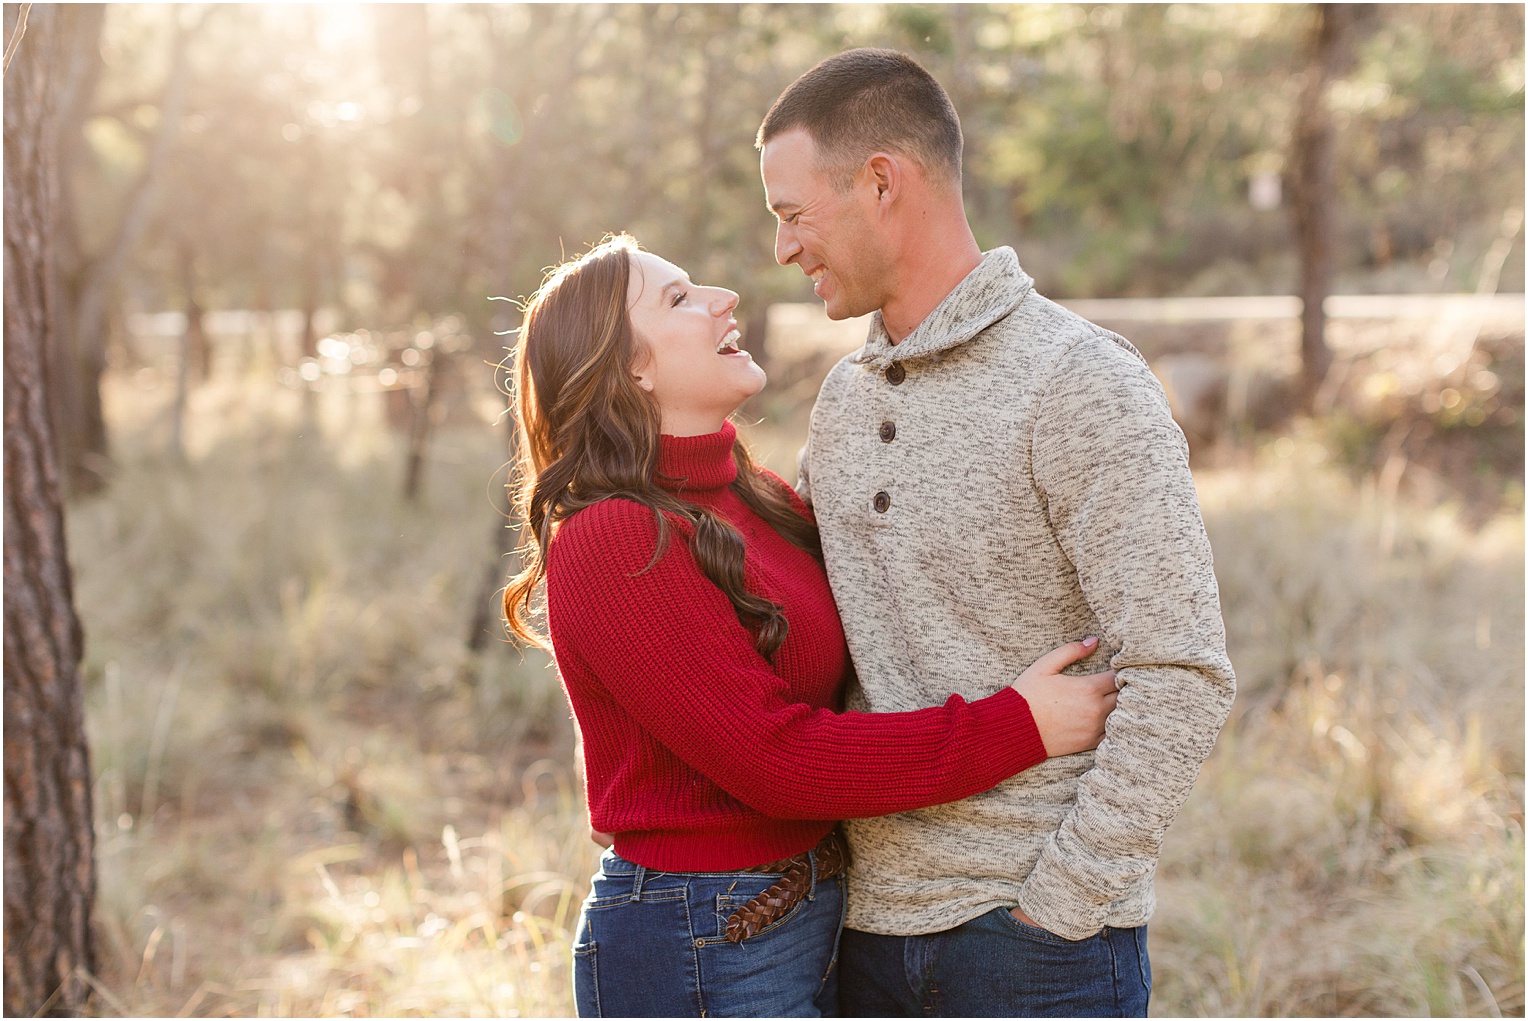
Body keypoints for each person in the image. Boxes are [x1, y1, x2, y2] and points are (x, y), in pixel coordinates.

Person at [501, 234, 1120, 1018]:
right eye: (680, 298)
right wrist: (1018, 726)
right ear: (632, 367)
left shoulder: (754, 496)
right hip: (698, 938)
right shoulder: (614, 536)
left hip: (806, 908)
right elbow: (776, 759)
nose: (723, 298)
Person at [757, 48, 1237, 1017]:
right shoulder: (843, 403)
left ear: (882, 181)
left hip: (1032, 951)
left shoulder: (1078, 381)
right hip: (861, 939)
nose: (782, 249)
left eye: (791, 213)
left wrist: (1058, 905)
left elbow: (1181, 672)